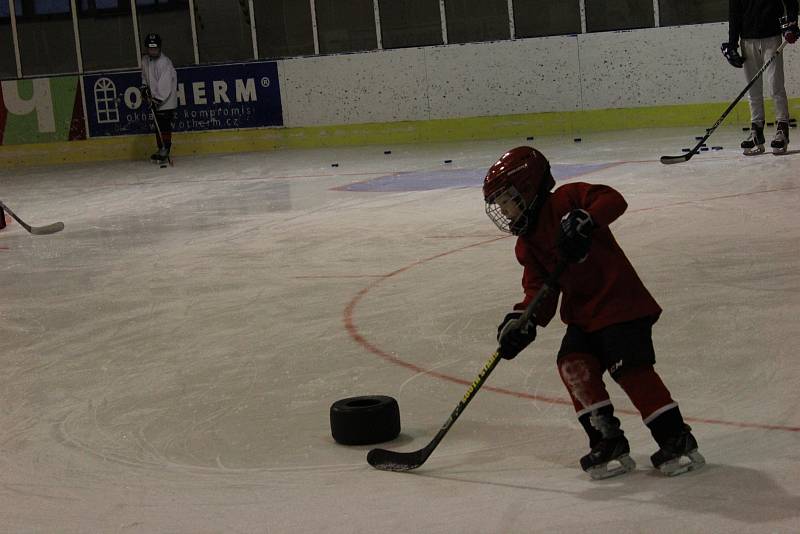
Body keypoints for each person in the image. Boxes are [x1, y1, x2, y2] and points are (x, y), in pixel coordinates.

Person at [483, 146, 705, 480]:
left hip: (621, 304)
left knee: (630, 369)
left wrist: (586, 218)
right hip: (584, 316)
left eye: (507, 200)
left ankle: (676, 437)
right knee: (572, 364)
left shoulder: (568, 200)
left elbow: (613, 199)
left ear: (528, 187)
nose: (505, 210)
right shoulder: (527, 243)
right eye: (499, 204)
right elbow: (539, 290)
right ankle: (607, 439)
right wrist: (523, 320)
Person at [722, 0, 799, 155]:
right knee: (753, 89)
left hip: (772, 37)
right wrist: (732, 44)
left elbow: (791, 2)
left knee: (775, 86)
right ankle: (756, 130)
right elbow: (734, 14)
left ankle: (782, 130)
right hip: (747, 39)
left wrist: (791, 24)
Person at [140, 33, 178, 163]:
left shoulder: (164, 63)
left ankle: (166, 148)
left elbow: (165, 85)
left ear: (160, 48)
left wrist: (156, 99)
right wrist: (144, 88)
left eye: (155, 48)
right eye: (150, 49)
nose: (152, 51)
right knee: (157, 125)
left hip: (166, 99)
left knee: (164, 123)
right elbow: (144, 77)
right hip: (155, 99)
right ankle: (160, 148)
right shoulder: (145, 61)